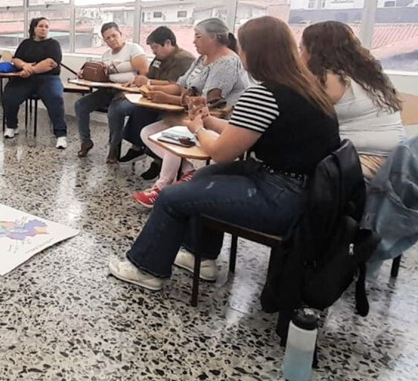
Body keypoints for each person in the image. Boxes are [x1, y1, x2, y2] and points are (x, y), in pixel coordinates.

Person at [109, 16, 339, 291]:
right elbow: (243, 131)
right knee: (201, 176)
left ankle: (146, 268)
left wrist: (196, 128)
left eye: (242, 46)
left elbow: (221, 152)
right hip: (305, 188)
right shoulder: (303, 87)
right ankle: (200, 255)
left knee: (172, 196)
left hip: (283, 195)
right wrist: (207, 121)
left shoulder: (264, 93)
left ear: (254, 52)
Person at [132, 18, 249, 208]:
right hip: (192, 116)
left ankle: (162, 186)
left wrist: (169, 99)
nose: (193, 41)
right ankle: (188, 171)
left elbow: (208, 102)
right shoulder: (201, 59)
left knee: (172, 138)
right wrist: (156, 92)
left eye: (198, 36)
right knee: (147, 133)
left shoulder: (227, 62)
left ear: (214, 38)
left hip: (217, 121)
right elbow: (180, 86)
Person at [300, 21, 405, 180]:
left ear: (315, 52)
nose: (299, 55)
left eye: (301, 48)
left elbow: (297, 119)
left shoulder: (329, 80)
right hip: (396, 157)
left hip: (361, 163)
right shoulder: (372, 76)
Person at [114, 27, 196, 166]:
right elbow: (149, 76)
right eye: (152, 48)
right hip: (155, 96)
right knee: (138, 110)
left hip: (175, 103)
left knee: (156, 116)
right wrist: (136, 84)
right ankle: (137, 147)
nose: (154, 51)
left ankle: (158, 160)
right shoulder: (159, 58)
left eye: (156, 47)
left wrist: (149, 83)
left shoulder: (184, 59)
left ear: (168, 43)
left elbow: (175, 85)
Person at [74, 22, 148, 160]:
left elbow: (144, 73)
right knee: (80, 105)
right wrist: (85, 74)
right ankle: (86, 141)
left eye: (114, 35)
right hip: (109, 89)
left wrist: (130, 91)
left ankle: (114, 147)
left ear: (121, 34)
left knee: (115, 110)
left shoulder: (133, 48)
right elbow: (102, 77)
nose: (112, 40)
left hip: (131, 93)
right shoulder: (106, 55)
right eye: (108, 38)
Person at [2, 17, 68, 149]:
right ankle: (11, 126)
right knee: (9, 95)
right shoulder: (26, 43)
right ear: (34, 28)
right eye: (41, 26)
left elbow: (50, 62)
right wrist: (24, 64)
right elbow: (15, 59)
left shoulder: (53, 44)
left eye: (46, 27)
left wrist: (30, 70)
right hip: (25, 79)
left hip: (48, 78)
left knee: (56, 98)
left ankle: (61, 135)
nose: (44, 29)